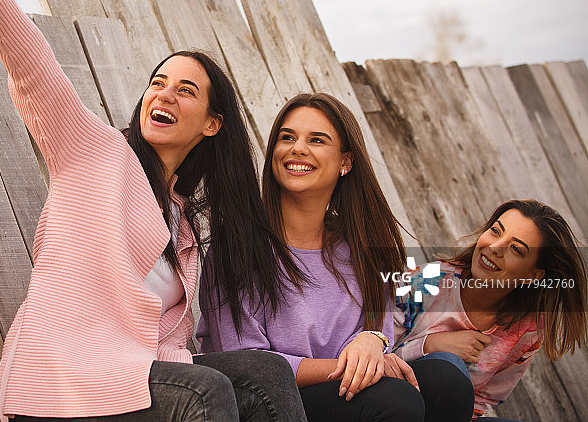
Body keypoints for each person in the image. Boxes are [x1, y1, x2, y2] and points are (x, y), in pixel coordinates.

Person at [0, 0, 308, 422]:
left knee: (267, 373)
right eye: (158, 82)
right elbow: (34, 73)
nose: (163, 94)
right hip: (63, 381)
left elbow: (164, 343)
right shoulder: (94, 153)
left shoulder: (183, 222)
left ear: (212, 124)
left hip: (131, 379)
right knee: (205, 393)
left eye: (185, 90)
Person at [198, 92, 475, 422]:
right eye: (287, 137)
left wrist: (372, 340)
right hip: (268, 399)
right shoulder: (239, 245)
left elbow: (381, 326)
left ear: (346, 162)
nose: (297, 148)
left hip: (349, 390)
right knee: (395, 400)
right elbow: (247, 363)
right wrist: (355, 366)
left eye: (316, 140)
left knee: (447, 382)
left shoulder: (361, 245)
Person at [394, 199, 588, 421]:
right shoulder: (426, 282)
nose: (495, 248)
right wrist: (429, 345)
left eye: (516, 249)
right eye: (495, 231)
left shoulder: (527, 331)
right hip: (394, 400)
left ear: (533, 276)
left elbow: (482, 400)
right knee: (450, 369)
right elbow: (374, 350)